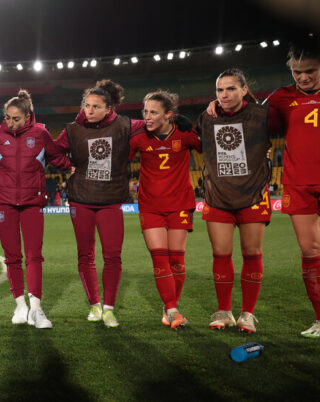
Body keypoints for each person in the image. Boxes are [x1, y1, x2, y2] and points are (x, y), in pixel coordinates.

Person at [55, 79, 146, 328]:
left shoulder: (126, 125)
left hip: (110, 201)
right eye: (86, 105)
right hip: (80, 199)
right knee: (85, 255)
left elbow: (154, 123)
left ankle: (109, 308)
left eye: (96, 106)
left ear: (109, 109)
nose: (89, 110)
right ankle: (94, 305)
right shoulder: (73, 129)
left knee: (112, 255)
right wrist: (67, 166)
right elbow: (53, 152)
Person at [0, 90, 71, 328]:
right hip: (4, 202)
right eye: (7, 118)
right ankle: (20, 306)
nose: (10, 123)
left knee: (34, 255)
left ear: (27, 116)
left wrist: (74, 168)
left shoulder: (41, 134)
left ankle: (36, 309)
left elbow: (56, 157)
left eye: (16, 118)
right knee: (12, 257)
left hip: (32, 202)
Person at [198, 68, 272, 334]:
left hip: (252, 195)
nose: (224, 95)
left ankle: (248, 315)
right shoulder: (206, 118)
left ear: (244, 89)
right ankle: (224, 311)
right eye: (219, 90)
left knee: (251, 253)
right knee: (221, 253)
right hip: (219, 195)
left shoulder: (262, 115)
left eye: (230, 88)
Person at [129, 90, 201, 330]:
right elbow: (118, 160)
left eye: (153, 112)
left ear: (169, 115)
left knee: (177, 261)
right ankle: (172, 310)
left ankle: (170, 306)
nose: (147, 117)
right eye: (145, 112)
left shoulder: (185, 135)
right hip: (150, 206)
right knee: (159, 259)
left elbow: (211, 146)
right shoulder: (138, 138)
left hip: (179, 204)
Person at [264, 41, 320, 337]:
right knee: (310, 250)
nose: (303, 77)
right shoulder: (282, 98)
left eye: (310, 70)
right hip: (298, 183)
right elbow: (253, 123)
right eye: (297, 72)